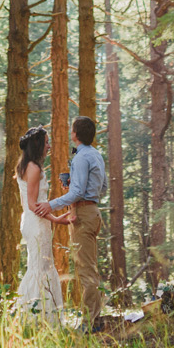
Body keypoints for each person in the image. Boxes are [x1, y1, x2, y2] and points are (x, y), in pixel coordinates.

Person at [36, 115, 107, 330]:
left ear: (75, 134)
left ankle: (89, 323)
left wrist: (51, 204)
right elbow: (101, 188)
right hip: (93, 212)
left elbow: (77, 192)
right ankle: (96, 318)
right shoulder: (96, 155)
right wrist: (73, 184)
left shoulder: (80, 158)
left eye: (71, 129)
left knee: (85, 271)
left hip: (84, 215)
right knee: (90, 268)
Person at [15, 126, 74, 318]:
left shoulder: (25, 165)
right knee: (40, 269)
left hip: (35, 222)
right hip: (37, 223)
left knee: (42, 267)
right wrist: (56, 218)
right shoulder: (33, 168)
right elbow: (33, 204)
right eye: (47, 142)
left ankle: (40, 316)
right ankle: (34, 316)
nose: (49, 146)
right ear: (38, 145)